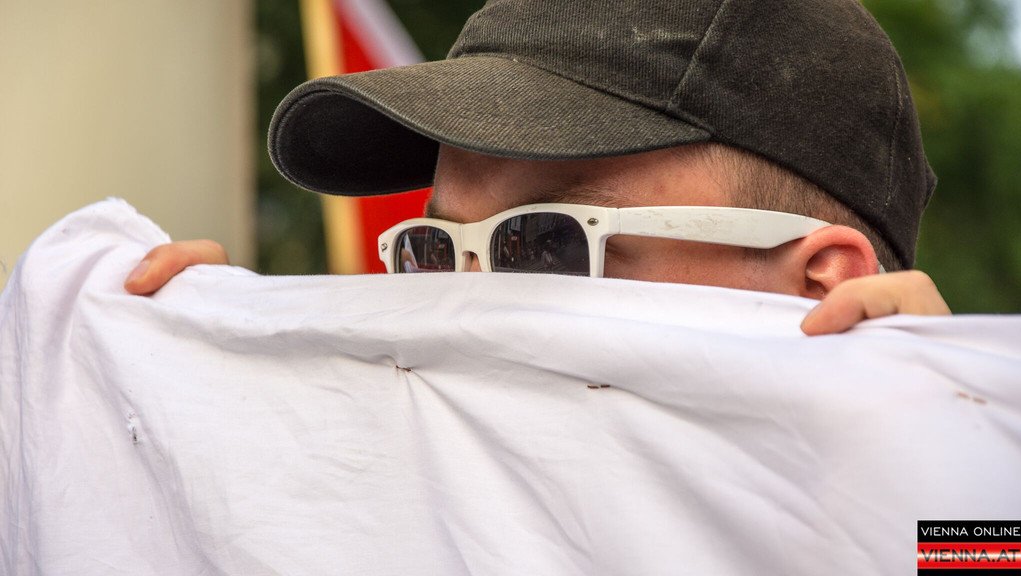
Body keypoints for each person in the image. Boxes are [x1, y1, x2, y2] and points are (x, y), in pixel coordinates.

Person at [124, 0, 951, 334]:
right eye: (429, 253)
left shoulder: (937, 512)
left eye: (546, 243)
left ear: (818, 285)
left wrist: (957, 488)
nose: (456, 312)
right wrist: (213, 369)